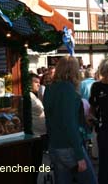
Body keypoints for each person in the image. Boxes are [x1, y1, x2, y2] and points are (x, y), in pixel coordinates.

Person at [43, 56, 97, 184]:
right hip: (69, 147)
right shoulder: (67, 89)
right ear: (74, 70)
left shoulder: (50, 88)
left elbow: (49, 120)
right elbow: (69, 123)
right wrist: (79, 155)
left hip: (55, 145)